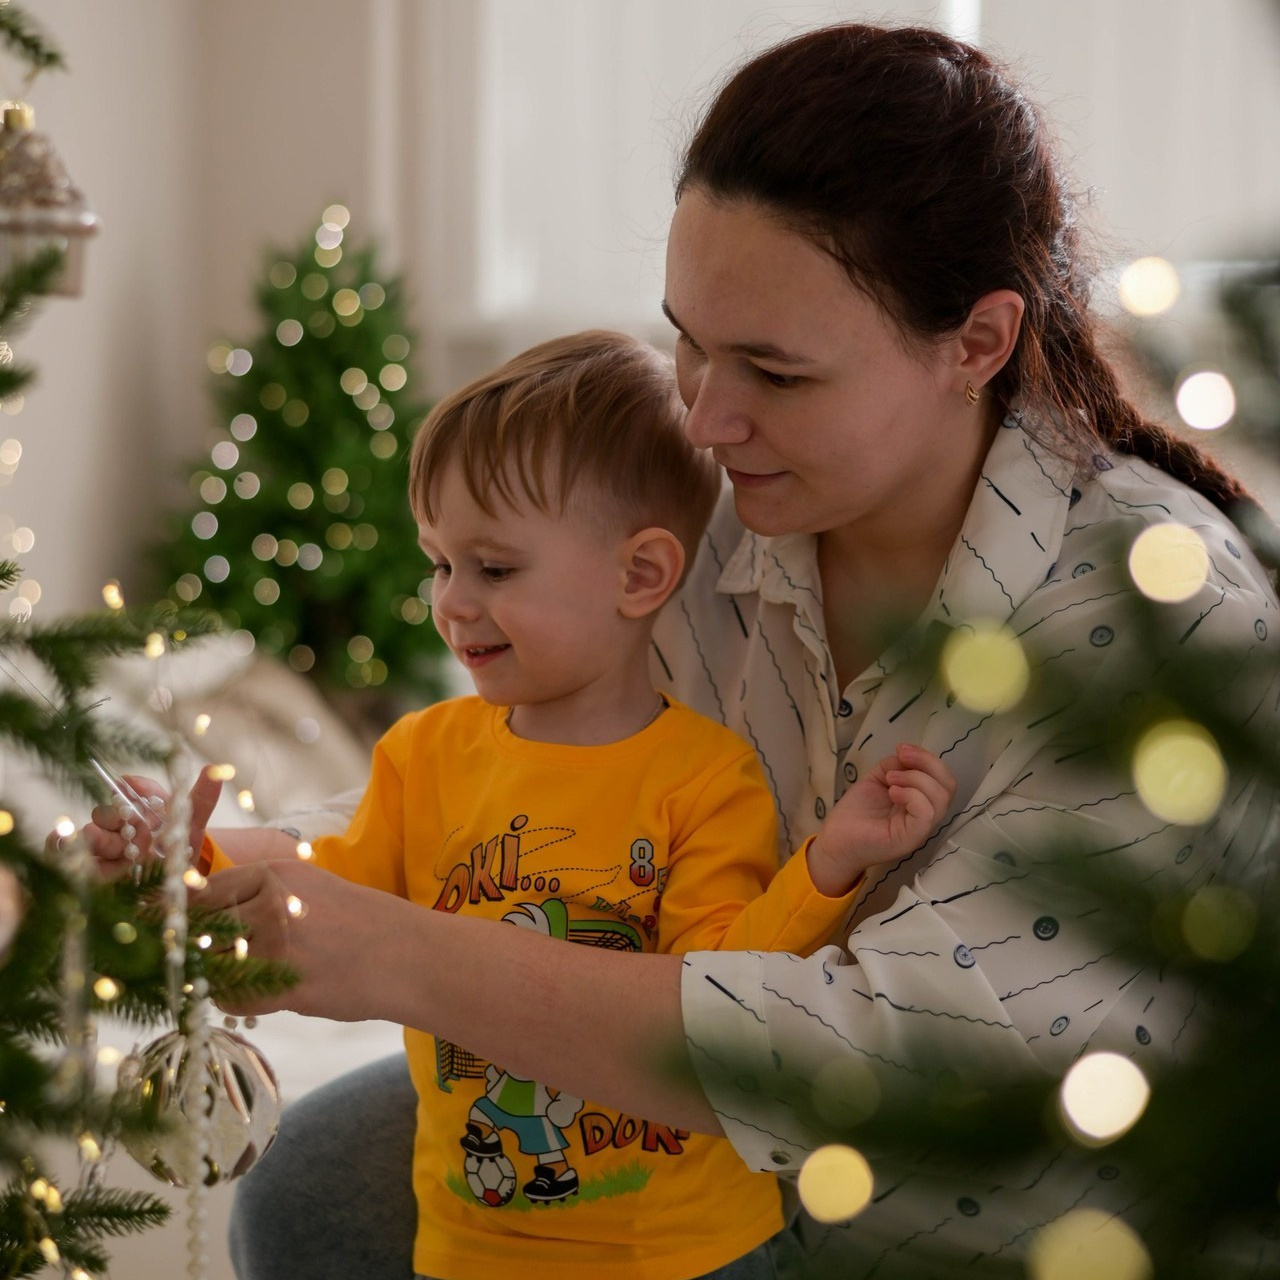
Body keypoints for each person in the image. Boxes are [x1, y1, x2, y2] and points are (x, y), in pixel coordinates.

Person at [128, 21, 1280, 1279]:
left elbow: (901, 1063)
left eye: (775, 374)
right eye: (688, 340)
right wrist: (235, 863)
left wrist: (401, 957)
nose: (706, 416)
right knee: (317, 1182)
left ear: (975, 343)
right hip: (697, 1170)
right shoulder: (704, 525)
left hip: (993, 1221)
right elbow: (517, 793)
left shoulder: (1154, 613)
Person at [90, 329, 956, 1280]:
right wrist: (197, 857)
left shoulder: (706, 779)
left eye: (494, 569)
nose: (452, 603)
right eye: (439, 564)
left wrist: (827, 865)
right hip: (468, 1248)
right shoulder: (424, 754)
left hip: (680, 1255)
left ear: (640, 575)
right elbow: (327, 893)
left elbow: (720, 986)